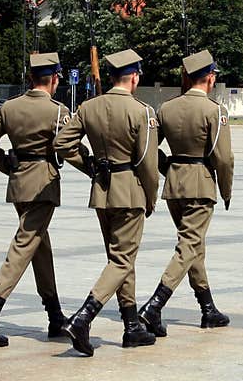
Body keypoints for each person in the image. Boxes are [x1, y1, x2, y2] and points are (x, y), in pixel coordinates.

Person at [0, 52, 88, 347]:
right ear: (55, 79)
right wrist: (94, 171)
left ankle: (54, 314)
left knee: (39, 247)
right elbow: (69, 148)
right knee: (24, 247)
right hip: (43, 185)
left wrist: (7, 164)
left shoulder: (10, 107)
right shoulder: (58, 111)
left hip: (19, 182)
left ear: (31, 78)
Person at [53, 49, 159, 357]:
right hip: (130, 190)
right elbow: (148, 164)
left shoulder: (89, 107)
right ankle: (83, 318)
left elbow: (62, 143)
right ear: (134, 77)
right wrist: (150, 197)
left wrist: (90, 164)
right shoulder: (142, 111)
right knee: (123, 259)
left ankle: (131, 324)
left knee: (119, 258)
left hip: (102, 190)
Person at [138, 50, 233, 339]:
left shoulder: (166, 108)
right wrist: (226, 190)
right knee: (188, 247)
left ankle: (208, 309)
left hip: (174, 185)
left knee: (194, 247)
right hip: (200, 185)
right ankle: (154, 305)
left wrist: (169, 165)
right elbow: (224, 158)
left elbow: (149, 147)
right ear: (211, 77)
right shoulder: (215, 110)